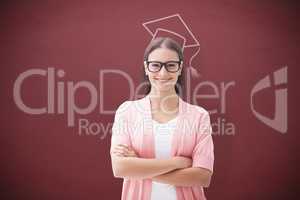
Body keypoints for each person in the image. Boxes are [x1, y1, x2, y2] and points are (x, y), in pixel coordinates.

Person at [110, 37, 214, 200]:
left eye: (171, 65)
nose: (163, 73)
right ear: (146, 67)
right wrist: (178, 163)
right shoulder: (127, 111)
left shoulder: (199, 116)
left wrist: (139, 165)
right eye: (156, 65)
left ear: (180, 68)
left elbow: (202, 177)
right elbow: (120, 168)